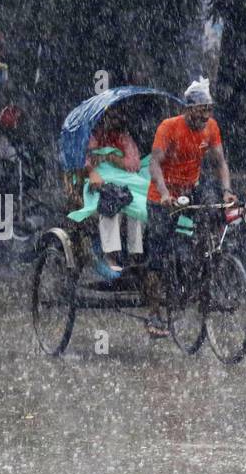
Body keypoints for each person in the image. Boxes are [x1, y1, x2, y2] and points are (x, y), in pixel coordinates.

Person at [144, 78, 235, 337]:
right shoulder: (169, 128)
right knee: (158, 258)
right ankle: (154, 314)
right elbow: (154, 164)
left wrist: (227, 191)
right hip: (162, 197)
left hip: (189, 190)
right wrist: (163, 193)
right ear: (188, 109)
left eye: (209, 109)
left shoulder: (211, 128)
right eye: (201, 110)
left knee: (210, 224)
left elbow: (220, 162)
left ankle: (202, 281)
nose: (206, 115)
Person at [85, 108, 143, 273]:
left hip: (122, 185)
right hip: (100, 185)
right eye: (111, 116)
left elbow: (133, 165)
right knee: (109, 206)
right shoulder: (94, 138)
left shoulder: (124, 139)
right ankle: (110, 254)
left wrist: (110, 157)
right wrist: (93, 171)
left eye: (117, 116)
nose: (115, 119)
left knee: (136, 209)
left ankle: (134, 254)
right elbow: (87, 161)